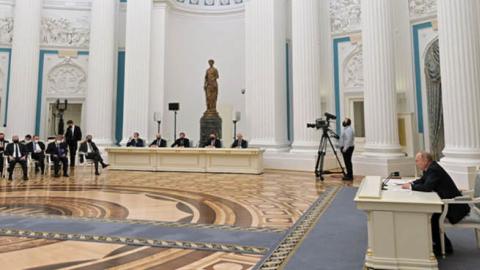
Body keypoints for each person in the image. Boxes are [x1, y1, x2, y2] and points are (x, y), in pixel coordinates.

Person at [402, 152, 470, 256]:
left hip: (454, 206)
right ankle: (440, 245)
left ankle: (445, 247)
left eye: (417, 160)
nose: (416, 163)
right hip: (447, 202)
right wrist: (412, 183)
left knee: (434, 220)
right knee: (432, 218)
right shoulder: (431, 168)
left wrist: (410, 187)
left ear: (425, 161)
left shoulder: (434, 170)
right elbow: (423, 180)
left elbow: (427, 187)